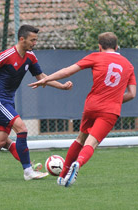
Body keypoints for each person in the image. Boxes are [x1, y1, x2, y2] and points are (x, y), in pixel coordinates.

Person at [29, 32, 136, 187]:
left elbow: (68, 71)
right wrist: (114, 99)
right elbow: (132, 94)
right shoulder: (128, 65)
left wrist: (46, 79)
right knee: (91, 144)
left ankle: (63, 175)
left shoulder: (96, 56)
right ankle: (78, 164)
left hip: (91, 106)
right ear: (117, 46)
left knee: (80, 139)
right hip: (110, 110)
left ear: (100, 47)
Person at [0, 24, 73, 182]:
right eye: (32, 40)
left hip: (8, 100)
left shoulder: (31, 56)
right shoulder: (7, 55)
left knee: (0, 141)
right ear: (22, 39)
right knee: (22, 128)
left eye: (36, 40)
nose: (34, 43)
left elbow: (41, 77)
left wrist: (62, 86)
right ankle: (28, 171)